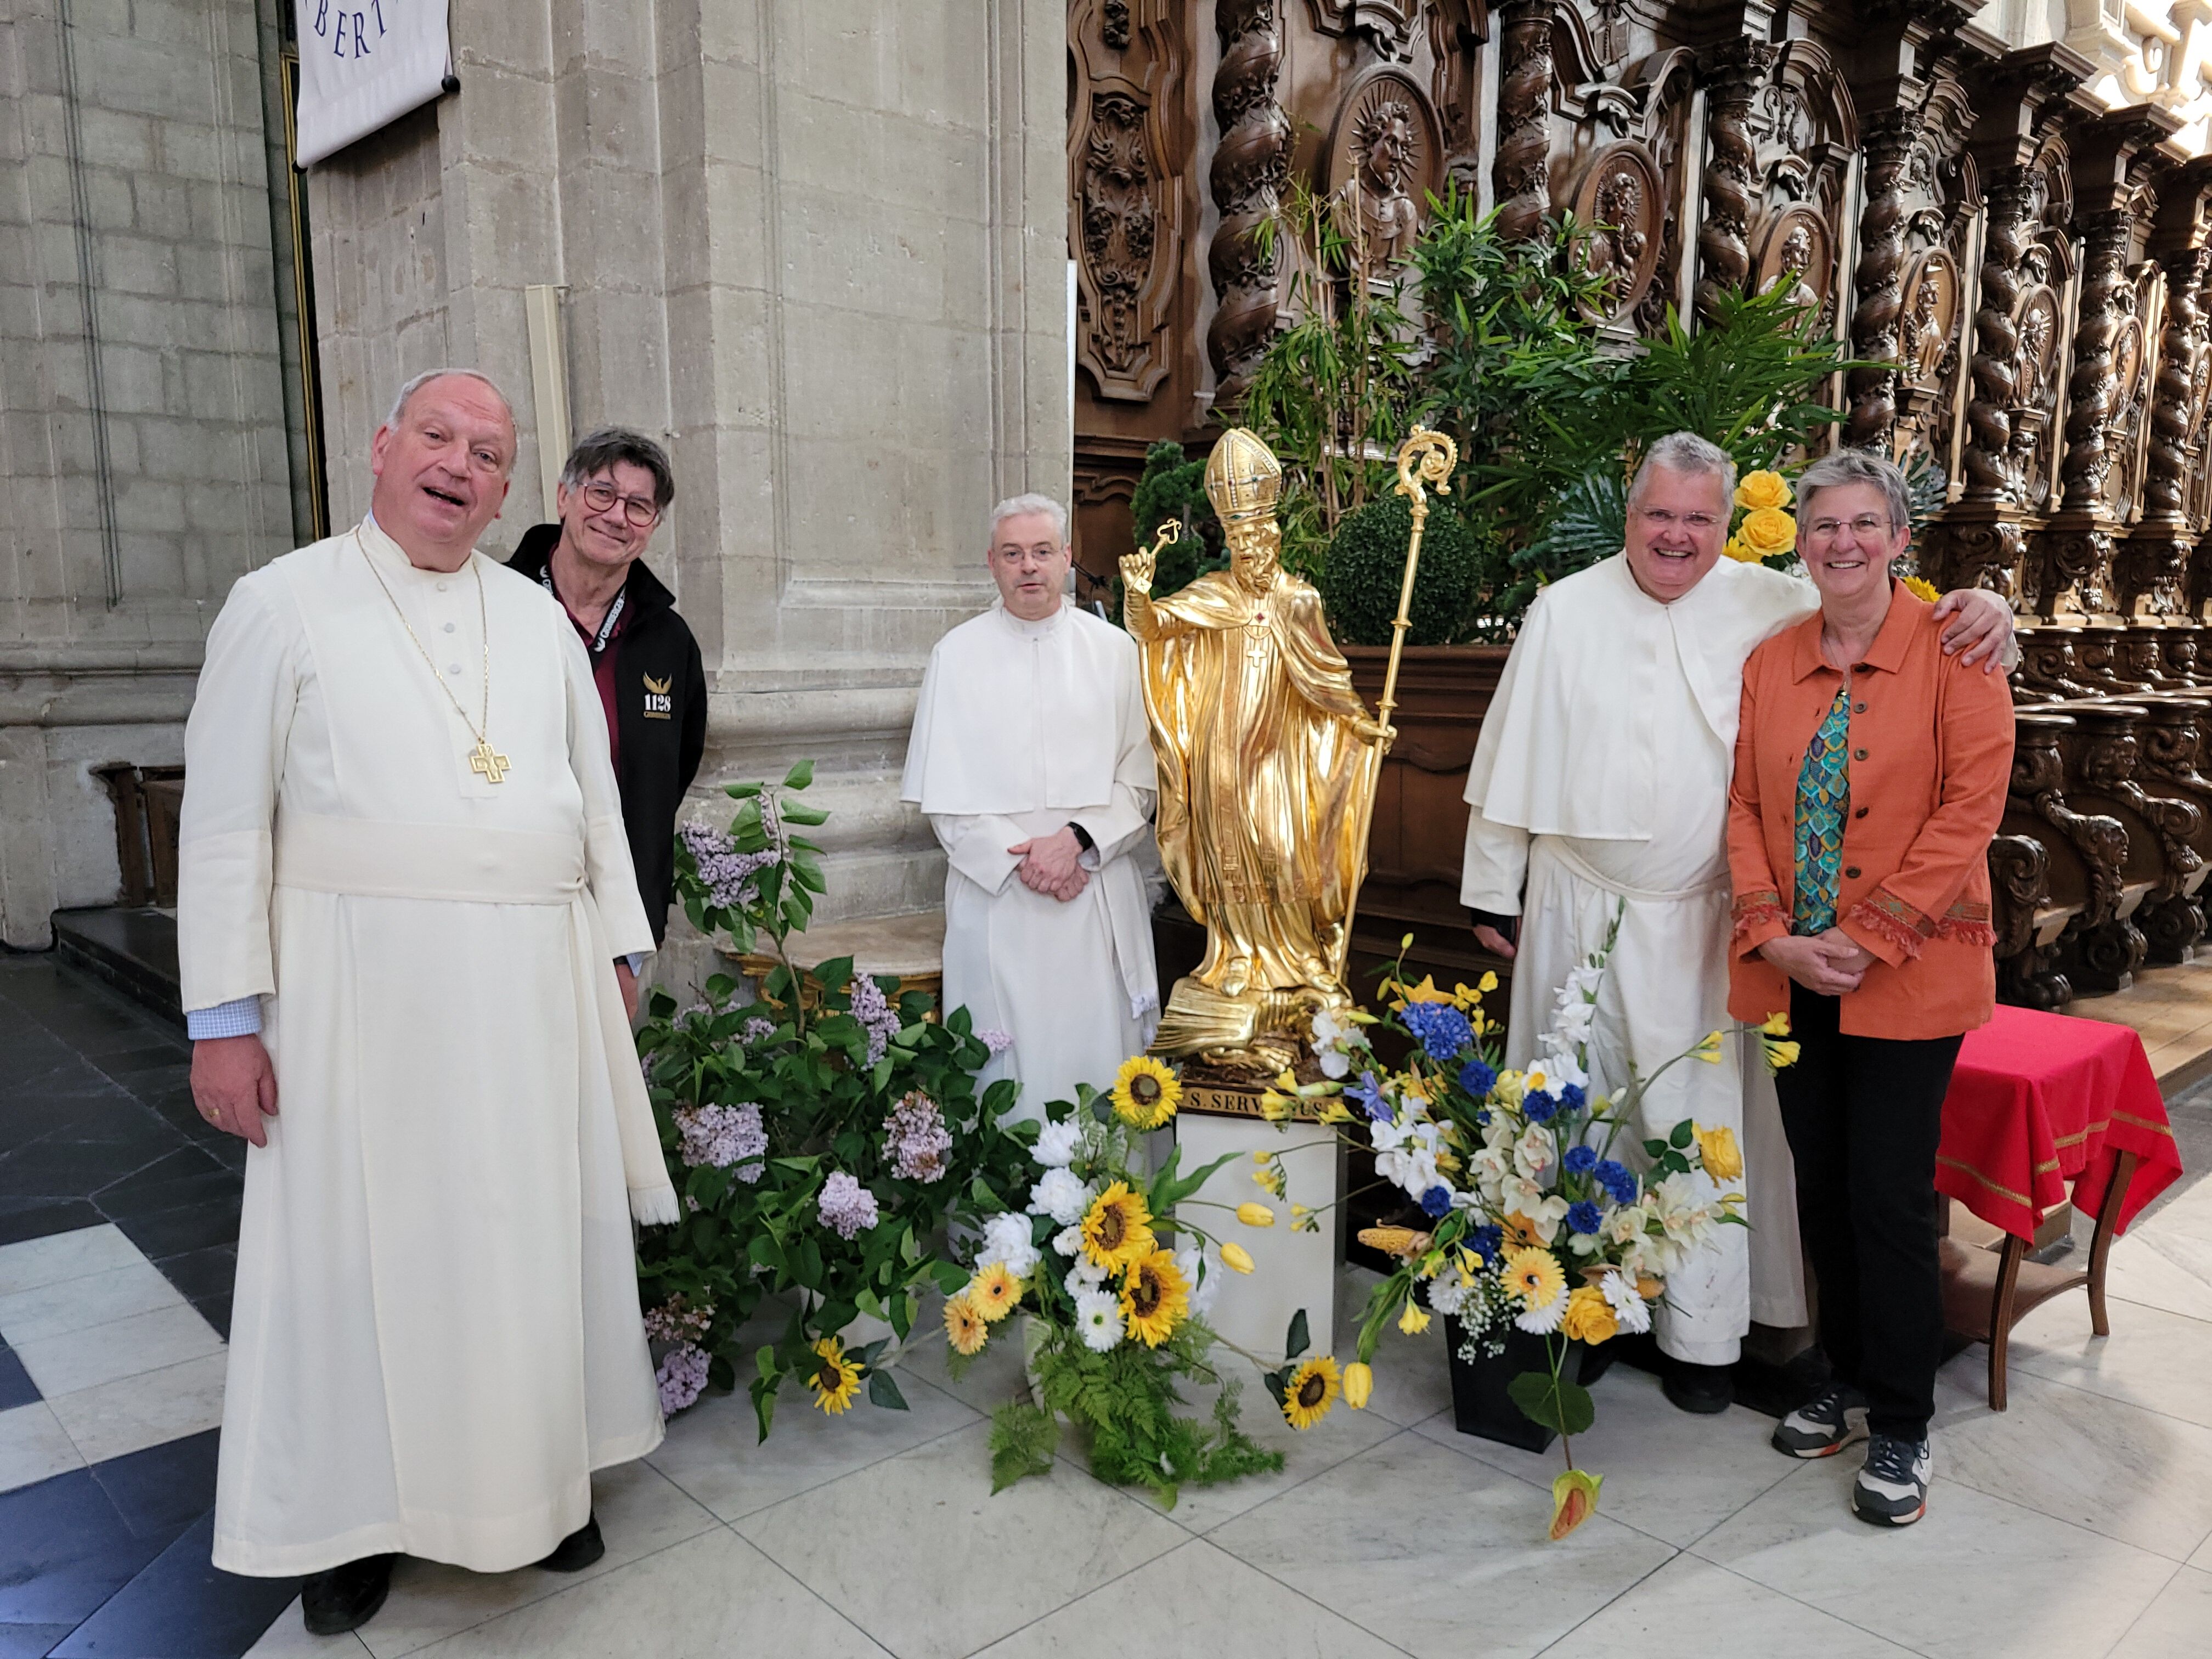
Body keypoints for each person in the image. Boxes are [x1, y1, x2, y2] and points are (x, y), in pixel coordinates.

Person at [179, 369, 676, 1635]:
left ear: (507, 490)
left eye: (488, 453)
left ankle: (542, 1483)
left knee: (528, 1235)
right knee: (358, 1255)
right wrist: (223, 1021)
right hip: (355, 999)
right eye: (439, 437)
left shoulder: (534, 622)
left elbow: (594, 806)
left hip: (534, 989)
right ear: (384, 446)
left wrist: (621, 951)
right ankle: (352, 1521)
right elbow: (225, 823)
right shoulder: (280, 604)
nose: (460, 464)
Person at [1459, 431, 2015, 1413]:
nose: (1676, 535)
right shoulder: (1563, 608)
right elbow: (1509, 753)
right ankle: (1576, 1317)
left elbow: (1898, 614)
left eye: (1699, 517)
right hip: (1575, 912)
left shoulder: (1775, 598)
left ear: (1730, 526)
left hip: (1711, 922)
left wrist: (1994, 607)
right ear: (1628, 515)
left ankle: (1701, 1340)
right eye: (1658, 514)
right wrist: (1491, 885)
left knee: (1698, 1128)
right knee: (1576, 1118)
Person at [1728, 448, 2013, 1527]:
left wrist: (1865, 934)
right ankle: (1844, 1374)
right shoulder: (1772, 660)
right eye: (1822, 526)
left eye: (1862, 524)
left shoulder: (1958, 649)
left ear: (1898, 538)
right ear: (1800, 544)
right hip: (1795, 972)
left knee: (1888, 1198)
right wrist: (1774, 936)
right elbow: (1742, 807)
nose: (1840, 543)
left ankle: (1901, 1420)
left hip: (1908, 971)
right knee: (1822, 1186)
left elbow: (1969, 810)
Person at [901, 494, 1161, 1117]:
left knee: (1102, 1071)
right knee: (1007, 1081)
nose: (1029, 567)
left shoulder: (1117, 652)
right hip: (1001, 903)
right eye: (1013, 554)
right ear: (991, 563)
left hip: (1094, 895)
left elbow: (1142, 782)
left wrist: (1076, 842)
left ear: (1067, 558)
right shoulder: (955, 656)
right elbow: (947, 803)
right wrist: (1028, 861)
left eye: (1042, 552)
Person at [508, 427, 707, 961]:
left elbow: (672, 772)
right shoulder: (492, 608)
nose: (617, 516)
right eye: (602, 493)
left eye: (639, 506)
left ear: (653, 526)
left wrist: (635, 937)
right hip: (505, 905)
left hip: (618, 923)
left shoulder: (669, 642)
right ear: (564, 497)